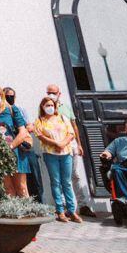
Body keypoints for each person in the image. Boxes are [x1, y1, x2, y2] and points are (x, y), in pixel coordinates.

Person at [45, 83, 95, 217]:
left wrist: (79, 144)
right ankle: (62, 206)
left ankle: (83, 205)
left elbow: (74, 126)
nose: (51, 95)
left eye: (53, 92)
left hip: (70, 145)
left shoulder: (66, 107)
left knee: (74, 175)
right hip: (55, 146)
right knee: (57, 177)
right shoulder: (45, 108)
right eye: (48, 92)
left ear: (59, 93)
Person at [33, 95, 80, 222]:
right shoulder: (39, 120)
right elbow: (40, 135)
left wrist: (63, 143)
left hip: (66, 152)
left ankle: (71, 210)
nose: (50, 108)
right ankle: (60, 210)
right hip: (50, 153)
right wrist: (55, 144)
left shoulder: (63, 118)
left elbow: (71, 133)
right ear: (42, 107)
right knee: (56, 182)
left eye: (52, 105)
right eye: (47, 105)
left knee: (67, 182)